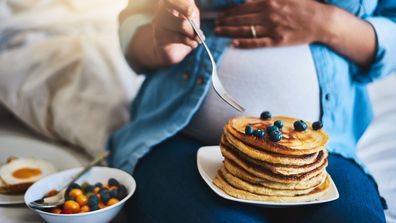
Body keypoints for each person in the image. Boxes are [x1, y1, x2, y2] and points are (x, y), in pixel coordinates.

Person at [109, 0, 396, 222]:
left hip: (321, 155)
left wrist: (328, 23)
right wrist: (159, 43)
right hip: (182, 137)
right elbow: (134, 19)